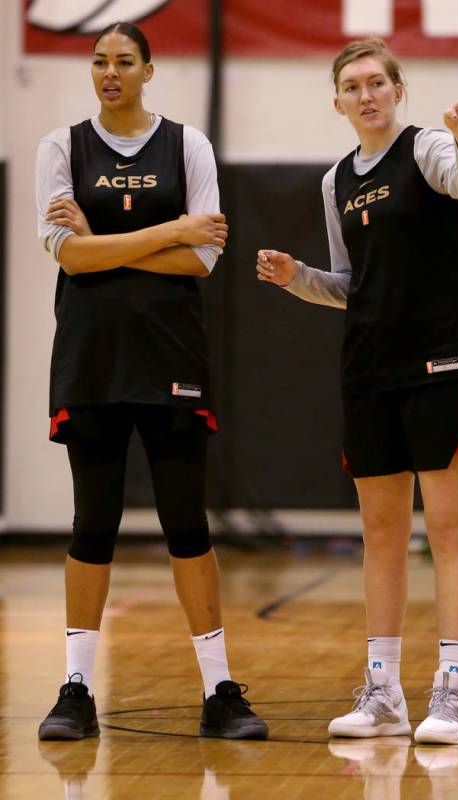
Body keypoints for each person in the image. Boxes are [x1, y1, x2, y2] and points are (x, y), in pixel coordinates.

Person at [257, 37, 458, 745]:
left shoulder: (427, 149)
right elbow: (349, 285)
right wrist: (297, 277)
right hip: (368, 369)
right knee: (382, 534)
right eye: (352, 86)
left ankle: (453, 693)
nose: (366, 95)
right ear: (338, 102)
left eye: (376, 82)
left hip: (440, 360)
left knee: (449, 529)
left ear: (398, 90)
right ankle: (383, 692)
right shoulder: (336, 182)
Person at [36, 21, 268, 742]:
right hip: (93, 359)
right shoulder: (59, 147)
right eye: (100, 61)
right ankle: (76, 689)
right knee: (93, 525)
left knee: (187, 526)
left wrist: (105, 244)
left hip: (171, 358)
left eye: (124, 61)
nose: (110, 72)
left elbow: (204, 261)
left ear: (148, 69)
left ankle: (218, 690)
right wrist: (170, 230)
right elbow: (69, 258)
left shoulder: (187, 145)